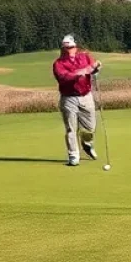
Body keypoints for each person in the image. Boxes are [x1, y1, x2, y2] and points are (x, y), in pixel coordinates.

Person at [52, 34, 101, 166]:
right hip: (69, 99)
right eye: (65, 48)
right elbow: (64, 78)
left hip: (86, 96)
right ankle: (73, 155)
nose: (68, 50)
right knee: (71, 129)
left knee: (90, 128)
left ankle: (87, 144)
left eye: (71, 47)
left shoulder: (85, 56)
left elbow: (93, 68)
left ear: (75, 47)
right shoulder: (58, 64)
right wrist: (82, 72)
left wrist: (96, 67)